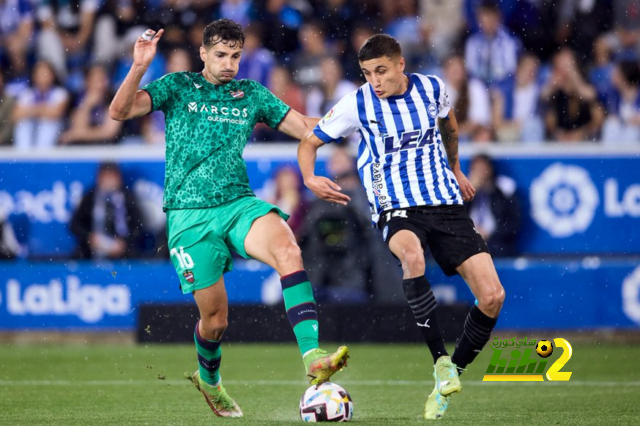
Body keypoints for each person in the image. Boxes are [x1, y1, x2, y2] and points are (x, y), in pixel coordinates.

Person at [108, 19, 349, 418]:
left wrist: (358, 117)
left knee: (289, 249)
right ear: (203, 53)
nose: (229, 63)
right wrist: (139, 66)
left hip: (238, 204)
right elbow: (119, 112)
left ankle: (313, 357)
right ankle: (210, 378)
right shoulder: (177, 85)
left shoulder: (250, 94)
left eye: (236, 56)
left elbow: (308, 127)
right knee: (216, 321)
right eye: (221, 55)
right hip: (188, 217)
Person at [297, 34, 505, 420]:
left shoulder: (433, 88)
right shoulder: (357, 102)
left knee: (492, 296)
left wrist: (456, 168)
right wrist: (309, 177)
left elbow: (449, 123)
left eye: (380, 71)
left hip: (444, 201)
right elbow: (308, 143)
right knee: (411, 255)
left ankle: (450, 376)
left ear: (400, 65)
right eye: (366, 73)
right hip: (395, 204)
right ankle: (440, 360)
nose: (374, 81)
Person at [69, 162, 143, 259]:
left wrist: (124, 243)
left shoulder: (128, 198)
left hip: (122, 249)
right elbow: (75, 225)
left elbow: (138, 225)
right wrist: (89, 237)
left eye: (112, 177)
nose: (109, 181)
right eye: (105, 177)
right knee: (78, 256)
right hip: (92, 248)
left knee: (134, 257)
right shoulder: (90, 197)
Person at [466, 154, 521, 257]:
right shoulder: (462, 192)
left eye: (482, 169)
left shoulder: (504, 189)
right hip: (469, 242)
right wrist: (469, 194)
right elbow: (455, 218)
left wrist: (489, 234)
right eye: (475, 169)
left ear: (490, 169)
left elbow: (513, 223)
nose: (479, 173)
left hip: (496, 243)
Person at [59, 65, 123, 145]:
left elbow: (109, 132)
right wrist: (87, 106)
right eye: (95, 80)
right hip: (83, 146)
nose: (99, 85)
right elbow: (77, 127)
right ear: (87, 82)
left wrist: (79, 134)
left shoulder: (113, 98)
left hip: (108, 147)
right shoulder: (78, 98)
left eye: (102, 80)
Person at [12, 60, 69, 149]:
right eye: (40, 74)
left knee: (46, 125)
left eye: (45, 73)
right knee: (23, 125)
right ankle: (23, 157)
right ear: (34, 76)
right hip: (32, 126)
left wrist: (30, 110)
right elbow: (16, 116)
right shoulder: (27, 94)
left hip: (54, 127)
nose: (42, 77)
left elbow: (55, 114)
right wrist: (43, 109)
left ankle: (42, 156)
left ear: (52, 75)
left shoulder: (60, 93)